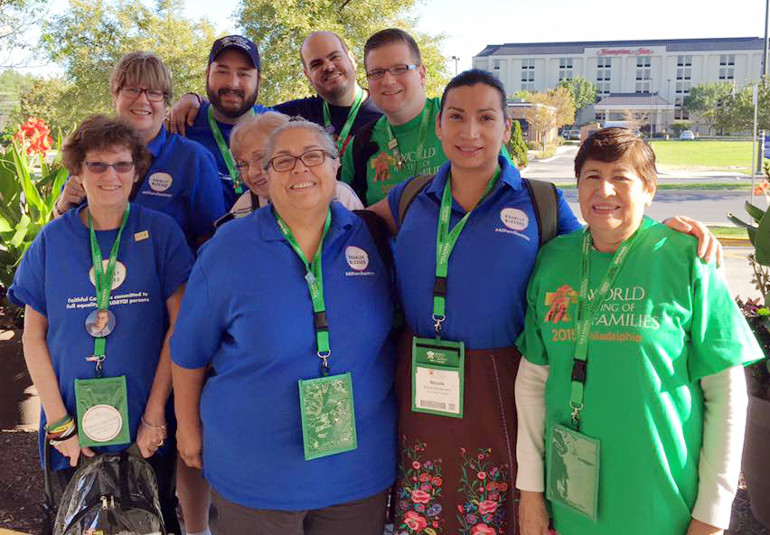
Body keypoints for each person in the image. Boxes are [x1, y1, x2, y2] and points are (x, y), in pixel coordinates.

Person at [366, 70, 722, 534]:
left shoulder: (540, 203)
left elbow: (602, 249)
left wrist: (664, 233)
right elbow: (345, 228)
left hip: (506, 386)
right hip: (421, 387)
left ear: (505, 125)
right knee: (425, 512)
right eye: (456, 116)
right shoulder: (411, 196)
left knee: (505, 513)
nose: (469, 132)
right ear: (439, 126)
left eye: (485, 117)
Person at [514, 127, 759, 535]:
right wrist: (531, 493)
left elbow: (726, 392)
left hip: (663, 502)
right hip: (571, 501)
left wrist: (713, 512)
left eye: (621, 178)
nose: (604, 190)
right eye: (592, 176)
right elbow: (533, 383)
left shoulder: (687, 258)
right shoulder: (553, 260)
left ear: (649, 189)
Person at [170, 119, 397, 534]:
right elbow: (188, 352)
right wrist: (187, 429)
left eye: (313, 156)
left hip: (357, 472)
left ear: (335, 164)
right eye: (283, 161)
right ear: (266, 175)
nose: (300, 169)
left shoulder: (372, 238)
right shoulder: (228, 248)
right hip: (255, 475)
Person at [8, 115, 193, 534]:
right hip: (69, 432)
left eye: (122, 165)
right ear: (78, 170)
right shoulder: (52, 241)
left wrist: (154, 417)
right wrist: (59, 424)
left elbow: (178, 329)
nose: (111, 175)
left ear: (137, 170)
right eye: (97, 165)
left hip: (145, 429)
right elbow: (33, 337)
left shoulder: (161, 233)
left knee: (148, 521)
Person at [53, 51, 226, 250]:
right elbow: (61, 226)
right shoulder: (90, 150)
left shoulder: (192, 159)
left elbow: (211, 242)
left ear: (165, 102)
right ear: (115, 97)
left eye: (154, 92)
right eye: (132, 89)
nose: (143, 100)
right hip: (93, 275)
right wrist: (63, 204)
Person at [168, 31, 382, 160]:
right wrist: (193, 99)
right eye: (316, 64)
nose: (328, 67)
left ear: (352, 58)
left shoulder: (385, 112)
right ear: (307, 74)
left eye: (334, 57)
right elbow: (238, 106)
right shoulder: (293, 115)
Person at [341, 28, 447, 205]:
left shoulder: (459, 118)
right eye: (377, 73)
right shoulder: (360, 145)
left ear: (421, 74)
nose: (388, 81)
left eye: (400, 69)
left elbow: (504, 192)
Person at [172, 35, 271, 209]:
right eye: (222, 71)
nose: (232, 83)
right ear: (207, 74)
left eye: (243, 73)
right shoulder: (181, 125)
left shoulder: (278, 128)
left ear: (258, 81)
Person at [220, 111, 363, 226]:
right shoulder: (245, 207)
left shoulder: (339, 196)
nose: (252, 173)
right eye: (243, 164)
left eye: (261, 158)